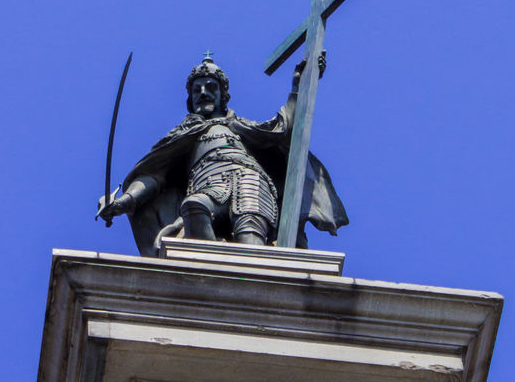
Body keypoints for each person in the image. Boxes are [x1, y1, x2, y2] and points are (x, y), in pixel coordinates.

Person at [98, 53, 347, 255]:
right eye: (197, 89)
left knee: (250, 241)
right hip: (207, 184)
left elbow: (284, 129)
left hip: (250, 182)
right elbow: (154, 175)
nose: (203, 92)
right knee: (194, 207)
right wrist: (125, 201)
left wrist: (298, 88)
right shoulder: (184, 134)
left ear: (222, 95)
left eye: (210, 87)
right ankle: (207, 283)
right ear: (191, 99)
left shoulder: (239, 126)